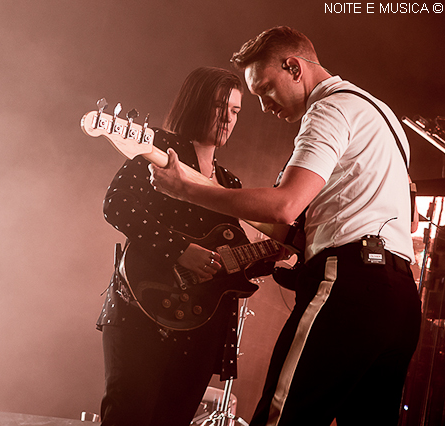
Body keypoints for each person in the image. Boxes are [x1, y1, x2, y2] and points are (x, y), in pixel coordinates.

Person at [149, 26, 422, 426]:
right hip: (399, 298)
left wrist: (188, 193)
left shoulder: (328, 110)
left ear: (294, 67)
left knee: (281, 418)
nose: (263, 107)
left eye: (265, 90)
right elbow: (301, 225)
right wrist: (205, 183)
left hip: (349, 286)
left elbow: (285, 206)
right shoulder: (382, 116)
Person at [97, 66, 258, 426]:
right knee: (128, 416)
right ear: (197, 103)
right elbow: (117, 203)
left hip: (201, 325)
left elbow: (237, 259)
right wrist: (180, 250)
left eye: (235, 111)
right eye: (220, 106)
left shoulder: (230, 182)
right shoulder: (157, 147)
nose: (227, 119)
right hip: (140, 310)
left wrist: (281, 253)